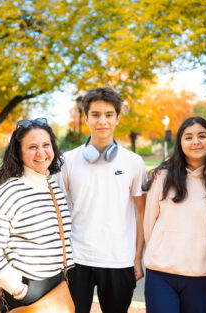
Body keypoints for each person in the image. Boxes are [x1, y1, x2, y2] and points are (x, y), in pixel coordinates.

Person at [56, 87, 147, 313]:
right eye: (95, 114)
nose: (102, 121)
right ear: (85, 118)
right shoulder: (67, 161)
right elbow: (57, 210)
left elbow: (142, 212)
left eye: (108, 115)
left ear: (117, 118)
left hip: (119, 260)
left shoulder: (134, 162)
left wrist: (137, 258)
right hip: (77, 260)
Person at [0, 117, 73, 313]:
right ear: (19, 153)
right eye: (32, 147)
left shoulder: (53, 188)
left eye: (46, 145)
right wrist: (16, 287)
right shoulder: (8, 193)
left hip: (57, 285)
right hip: (24, 291)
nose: (41, 152)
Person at [143, 116, 206, 313]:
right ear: (180, 143)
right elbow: (149, 224)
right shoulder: (162, 177)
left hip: (199, 275)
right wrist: (157, 252)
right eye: (188, 137)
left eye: (201, 136)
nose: (195, 141)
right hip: (160, 274)